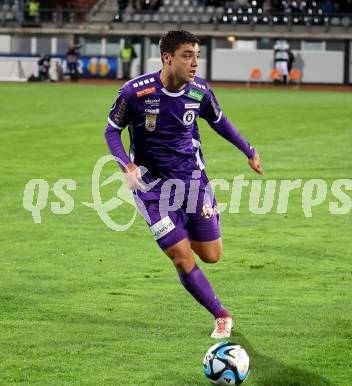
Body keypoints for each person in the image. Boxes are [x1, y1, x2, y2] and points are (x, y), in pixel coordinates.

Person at [105, 30, 263, 339]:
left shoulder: (199, 92)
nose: (194, 64)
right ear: (167, 57)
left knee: (212, 255)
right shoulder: (135, 93)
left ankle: (184, 230)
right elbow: (112, 131)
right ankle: (221, 314)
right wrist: (127, 164)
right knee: (181, 256)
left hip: (193, 182)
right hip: (152, 190)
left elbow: (220, 122)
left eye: (197, 57)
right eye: (187, 56)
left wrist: (249, 150)